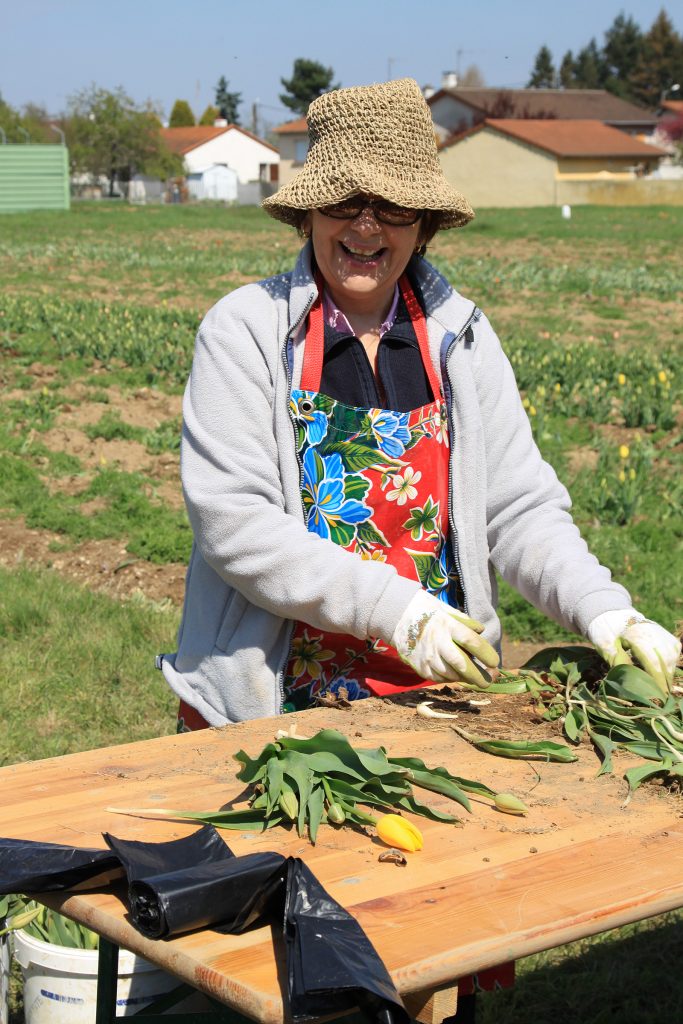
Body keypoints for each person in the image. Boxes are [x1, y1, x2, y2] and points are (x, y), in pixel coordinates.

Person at [158, 78, 680, 732]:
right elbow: (234, 522)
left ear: (424, 222)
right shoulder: (246, 332)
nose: (366, 227)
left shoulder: (460, 338)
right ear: (310, 211)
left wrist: (603, 609)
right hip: (269, 711)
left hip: (436, 701)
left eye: (395, 208)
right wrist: (398, 611)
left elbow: (515, 508)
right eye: (344, 202)